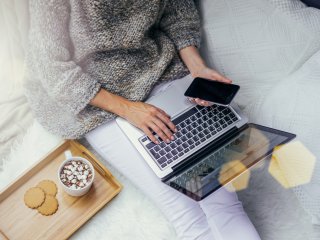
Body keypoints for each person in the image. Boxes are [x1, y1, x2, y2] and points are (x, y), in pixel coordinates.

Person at [25, 0, 261, 239]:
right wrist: (130, 110)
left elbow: (176, 10)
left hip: (159, 70)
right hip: (96, 101)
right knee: (187, 214)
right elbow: (52, 69)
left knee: (221, 202)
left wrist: (197, 68)